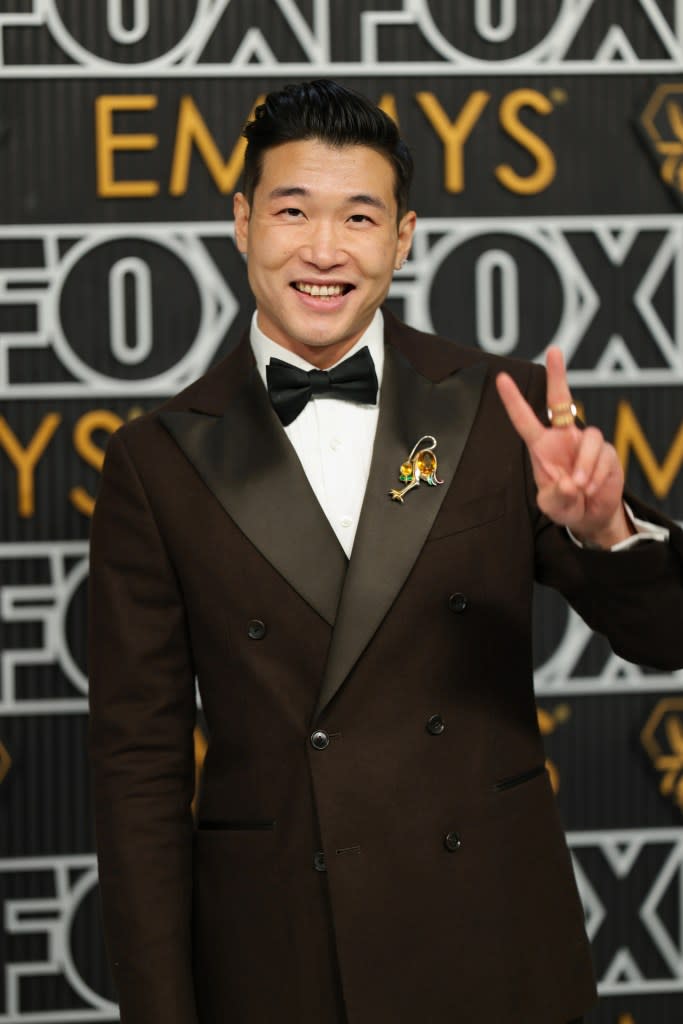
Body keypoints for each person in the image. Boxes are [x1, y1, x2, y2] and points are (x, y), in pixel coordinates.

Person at [87, 80, 683, 1024]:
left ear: (403, 237)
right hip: (281, 954)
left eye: (358, 217)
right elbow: (137, 771)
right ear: (242, 223)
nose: (323, 251)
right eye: (292, 211)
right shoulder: (156, 460)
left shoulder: (502, 408)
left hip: (493, 941)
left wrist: (603, 529)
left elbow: (665, 636)